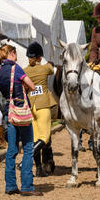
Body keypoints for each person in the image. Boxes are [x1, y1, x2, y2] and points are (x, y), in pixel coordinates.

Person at [0, 45, 43, 196]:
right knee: (28, 148)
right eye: (15, 52)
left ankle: (10, 186)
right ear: (11, 54)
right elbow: (32, 86)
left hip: (10, 113)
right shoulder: (17, 69)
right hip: (22, 112)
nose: (16, 55)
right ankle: (27, 186)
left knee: (11, 150)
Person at [23, 42, 57, 177]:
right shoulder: (44, 68)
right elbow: (52, 68)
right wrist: (47, 61)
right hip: (43, 106)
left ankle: (38, 169)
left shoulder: (25, 70)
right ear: (39, 57)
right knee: (45, 137)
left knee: (35, 138)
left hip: (32, 106)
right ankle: (24, 162)